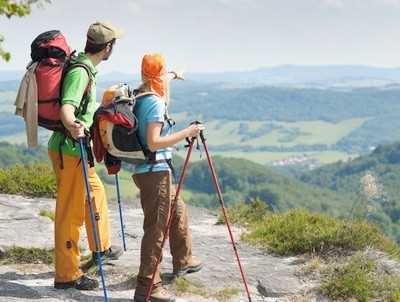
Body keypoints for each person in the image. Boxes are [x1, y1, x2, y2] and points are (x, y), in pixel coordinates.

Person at [48, 21, 124, 291]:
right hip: (70, 149)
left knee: (96, 194)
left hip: (78, 150)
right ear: (108, 47)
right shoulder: (80, 72)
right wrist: (74, 126)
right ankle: (67, 275)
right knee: (70, 213)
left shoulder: (86, 67)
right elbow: (67, 108)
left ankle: (100, 248)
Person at [132, 53, 204, 302]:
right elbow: (153, 142)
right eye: (164, 73)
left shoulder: (141, 94)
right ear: (158, 76)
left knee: (178, 209)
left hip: (147, 171)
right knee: (156, 229)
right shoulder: (154, 103)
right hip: (155, 171)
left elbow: (160, 83)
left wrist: (173, 74)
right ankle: (148, 288)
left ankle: (183, 260)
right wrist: (189, 131)